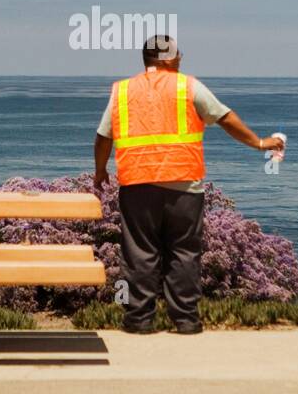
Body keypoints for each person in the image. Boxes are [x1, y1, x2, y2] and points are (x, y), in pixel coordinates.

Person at [93, 35, 285, 335]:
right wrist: (260, 143)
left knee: (139, 253)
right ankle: (186, 320)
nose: (182, 56)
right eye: (178, 53)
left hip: (137, 184)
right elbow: (225, 117)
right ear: (167, 58)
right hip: (184, 187)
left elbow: (104, 135)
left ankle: (139, 320)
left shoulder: (123, 90)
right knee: (184, 252)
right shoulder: (188, 86)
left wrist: (100, 171)